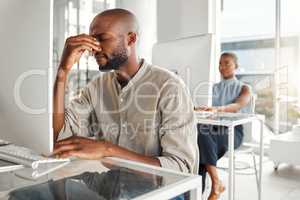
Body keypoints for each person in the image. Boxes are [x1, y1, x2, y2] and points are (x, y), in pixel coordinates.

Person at [52, 8, 198, 176]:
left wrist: (108, 150)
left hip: (158, 191)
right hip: (111, 184)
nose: (93, 49)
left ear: (131, 39)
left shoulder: (169, 87)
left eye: (102, 38)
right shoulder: (96, 87)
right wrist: (63, 71)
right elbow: (61, 135)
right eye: (92, 40)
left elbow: (180, 169)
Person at [195, 52, 251, 200]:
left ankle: (207, 188)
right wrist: (202, 109)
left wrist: (218, 109)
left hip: (233, 131)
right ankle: (215, 184)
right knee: (199, 136)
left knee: (200, 145)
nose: (222, 66)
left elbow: (238, 105)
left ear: (236, 66)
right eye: (220, 63)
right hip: (211, 129)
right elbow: (209, 110)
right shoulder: (212, 88)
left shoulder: (245, 88)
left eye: (227, 63)